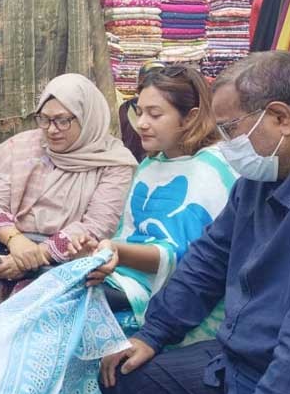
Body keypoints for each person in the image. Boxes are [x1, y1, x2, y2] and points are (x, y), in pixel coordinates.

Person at [98, 51, 290, 394]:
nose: (226, 143)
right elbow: (208, 260)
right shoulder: (256, 183)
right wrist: (153, 334)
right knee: (122, 379)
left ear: (281, 118)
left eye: (232, 129)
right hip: (237, 367)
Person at [0, 73, 137, 315]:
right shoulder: (21, 147)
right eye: (44, 119)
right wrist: (16, 241)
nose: (52, 130)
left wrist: (36, 256)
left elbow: (96, 226)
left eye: (63, 120)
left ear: (87, 118)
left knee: (30, 306)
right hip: (3, 246)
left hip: (66, 258)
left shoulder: (114, 162)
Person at [91, 65, 237, 343]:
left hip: (176, 297)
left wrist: (115, 250)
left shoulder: (211, 169)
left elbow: (190, 260)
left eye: (155, 114)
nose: (142, 123)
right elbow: (130, 232)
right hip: (126, 276)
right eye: (140, 111)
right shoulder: (150, 163)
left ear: (190, 118)